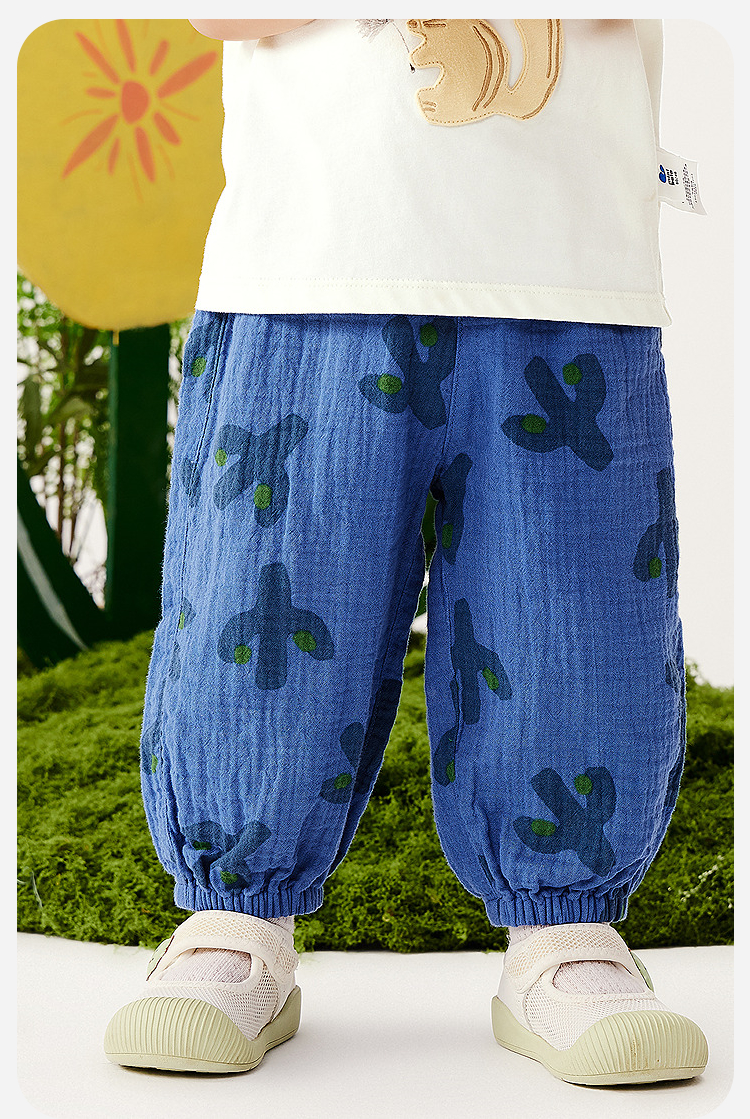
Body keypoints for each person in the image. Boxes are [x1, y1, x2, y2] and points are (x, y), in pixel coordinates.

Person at [104, 18, 709, 1085]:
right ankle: (235, 917)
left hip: (565, 269)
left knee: (571, 619)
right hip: (309, 263)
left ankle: (565, 930)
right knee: (266, 583)